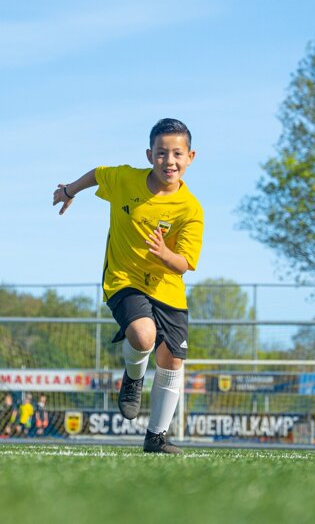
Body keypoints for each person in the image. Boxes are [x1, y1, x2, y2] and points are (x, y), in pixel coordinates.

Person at [53, 118, 204, 454]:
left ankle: (156, 437)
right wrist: (68, 191)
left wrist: (166, 254)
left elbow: (186, 263)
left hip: (168, 289)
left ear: (190, 157)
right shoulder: (125, 179)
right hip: (124, 279)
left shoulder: (191, 209)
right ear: (150, 155)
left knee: (172, 362)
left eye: (177, 153)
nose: (170, 161)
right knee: (143, 335)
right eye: (162, 153)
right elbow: (98, 174)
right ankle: (133, 378)